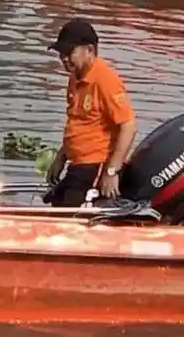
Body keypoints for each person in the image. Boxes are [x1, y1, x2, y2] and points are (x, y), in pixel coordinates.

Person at [43, 18, 138, 208]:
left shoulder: (106, 81)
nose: (64, 58)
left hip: (96, 165)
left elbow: (128, 126)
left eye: (69, 52)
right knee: (53, 201)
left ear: (90, 50)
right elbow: (78, 122)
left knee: (68, 215)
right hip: (78, 164)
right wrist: (61, 158)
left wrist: (111, 172)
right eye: (61, 53)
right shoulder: (75, 78)